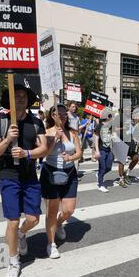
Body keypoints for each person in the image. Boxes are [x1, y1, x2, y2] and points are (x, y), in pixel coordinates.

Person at [0, 84, 48, 277]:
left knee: (33, 219)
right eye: (16, 96)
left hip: (30, 177)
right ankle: (13, 262)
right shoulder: (0, 123)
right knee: (12, 222)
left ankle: (22, 235)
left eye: (23, 96)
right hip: (9, 176)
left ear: (28, 100)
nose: (20, 98)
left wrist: (27, 153)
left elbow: (44, 148)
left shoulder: (36, 122)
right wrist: (6, 140)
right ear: (10, 101)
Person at [41, 104, 83, 258]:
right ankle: (50, 243)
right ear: (52, 116)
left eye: (65, 114)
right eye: (59, 114)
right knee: (52, 211)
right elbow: (43, 153)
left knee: (69, 210)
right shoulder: (47, 132)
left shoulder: (73, 133)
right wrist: (55, 139)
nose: (63, 116)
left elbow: (79, 153)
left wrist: (70, 157)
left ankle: (59, 224)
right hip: (51, 173)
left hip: (70, 173)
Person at [94, 109, 114, 193]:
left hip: (109, 149)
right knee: (102, 167)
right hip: (101, 149)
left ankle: (99, 175)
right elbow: (96, 138)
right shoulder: (99, 126)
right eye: (111, 116)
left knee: (108, 167)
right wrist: (97, 151)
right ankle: (100, 185)